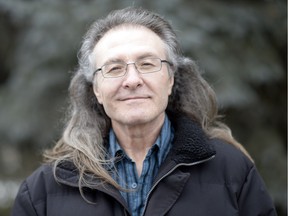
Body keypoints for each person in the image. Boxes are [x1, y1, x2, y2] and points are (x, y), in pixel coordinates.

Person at [12, 7, 277, 216]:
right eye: (114, 68)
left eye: (147, 64)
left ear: (171, 78)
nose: (132, 80)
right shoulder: (44, 190)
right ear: (96, 90)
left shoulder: (233, 172)